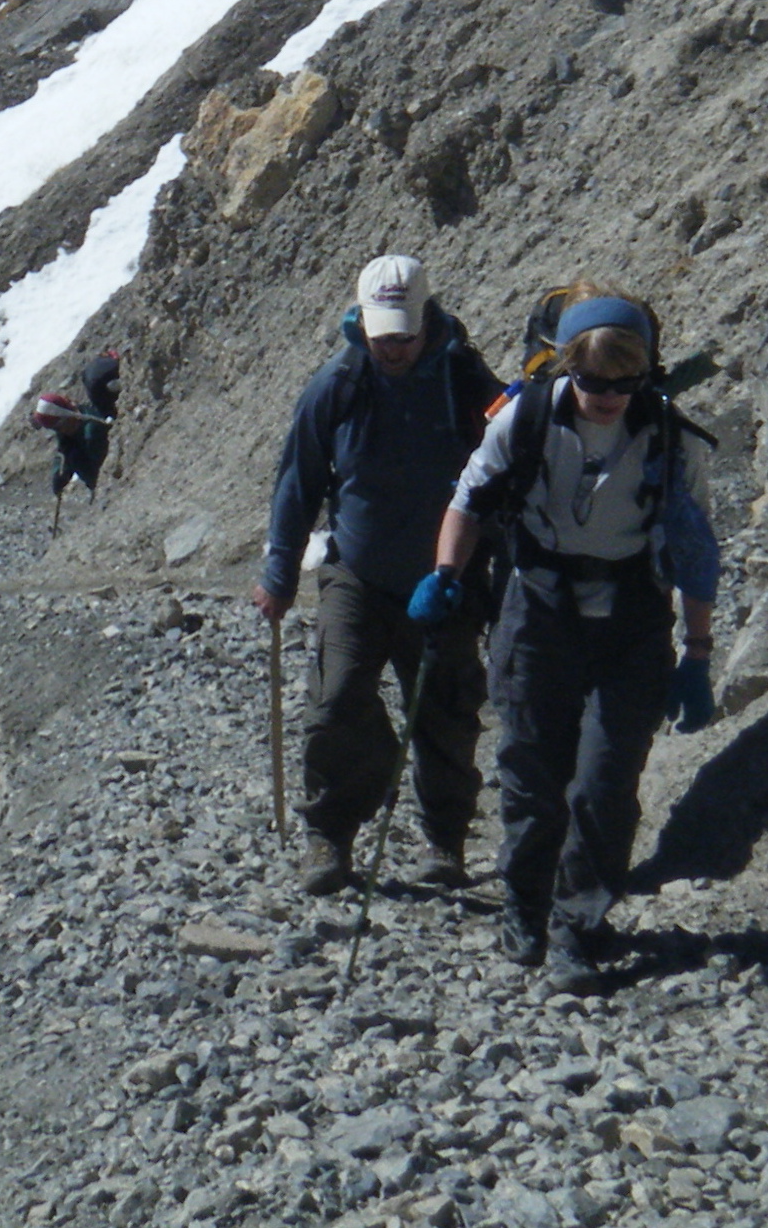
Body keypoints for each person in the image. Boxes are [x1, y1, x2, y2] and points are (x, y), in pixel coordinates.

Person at [417, 291, 721, 994]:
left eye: (625, 381)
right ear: (566, 367)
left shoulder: (669, 436)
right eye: (592, 379)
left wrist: (698, 653)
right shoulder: (523, 420)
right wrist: (444, 575)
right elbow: (468, 500)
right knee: (531, 772)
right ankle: (525, 908)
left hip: (633, 618)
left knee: (606, 782)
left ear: (647, 374)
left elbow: (695, 550)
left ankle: (576, 927)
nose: (608, 394)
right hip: (538, 608)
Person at [253, 255, 504, 896]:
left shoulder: (466, 380)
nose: (392, 348)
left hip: (447, 576)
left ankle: (444, 842)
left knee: (448, 711)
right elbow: (299, 480)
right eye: (381, 335)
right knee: (335, 699)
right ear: (361, 323)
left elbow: (507, 468)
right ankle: (329, 836)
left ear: (427, 319)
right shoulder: (336, 385)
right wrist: (280, 572)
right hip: (356, 573)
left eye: (403, 335)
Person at [49, 351, 119, 525]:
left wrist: (74, 460)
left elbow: (97, 474)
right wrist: (60, 474)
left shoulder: (92, 431)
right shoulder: (76, 423)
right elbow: (62, 449)